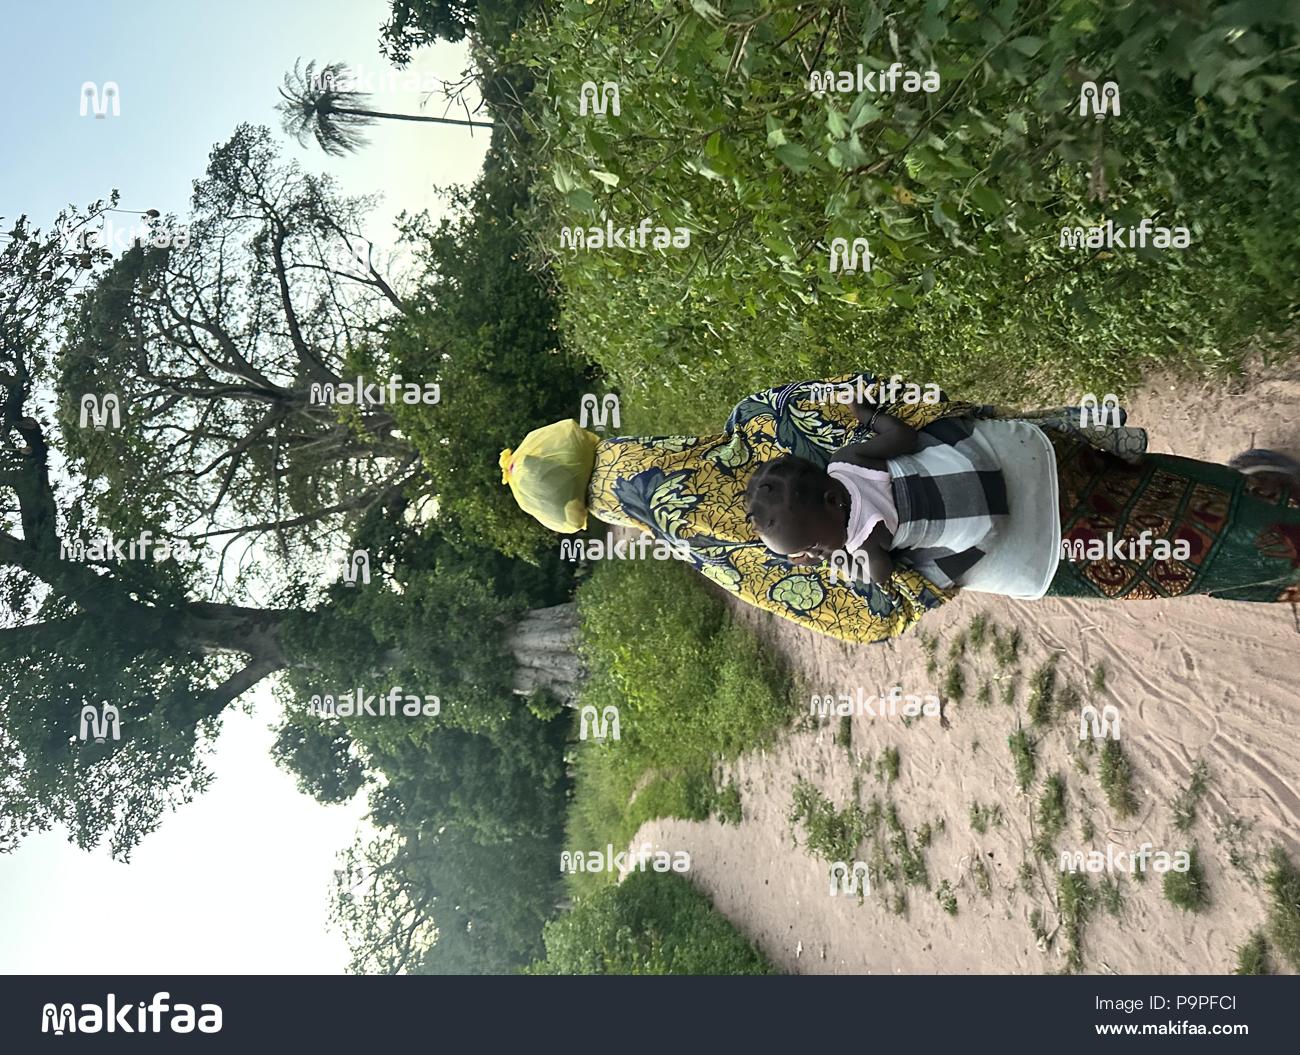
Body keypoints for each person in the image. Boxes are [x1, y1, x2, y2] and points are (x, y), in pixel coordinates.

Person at [500, 372, 1300, 644]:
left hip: (1035, 547)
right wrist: (965, 428)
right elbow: (880, 400)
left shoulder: (726, 554)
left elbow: (871, 615)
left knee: (1170, 552)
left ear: (592, 517)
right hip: (1020, 451)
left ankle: (1281, 555)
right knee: (1171, 492)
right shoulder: (755, 421)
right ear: (598, 443)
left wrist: (923, 560)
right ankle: (1267, 497)